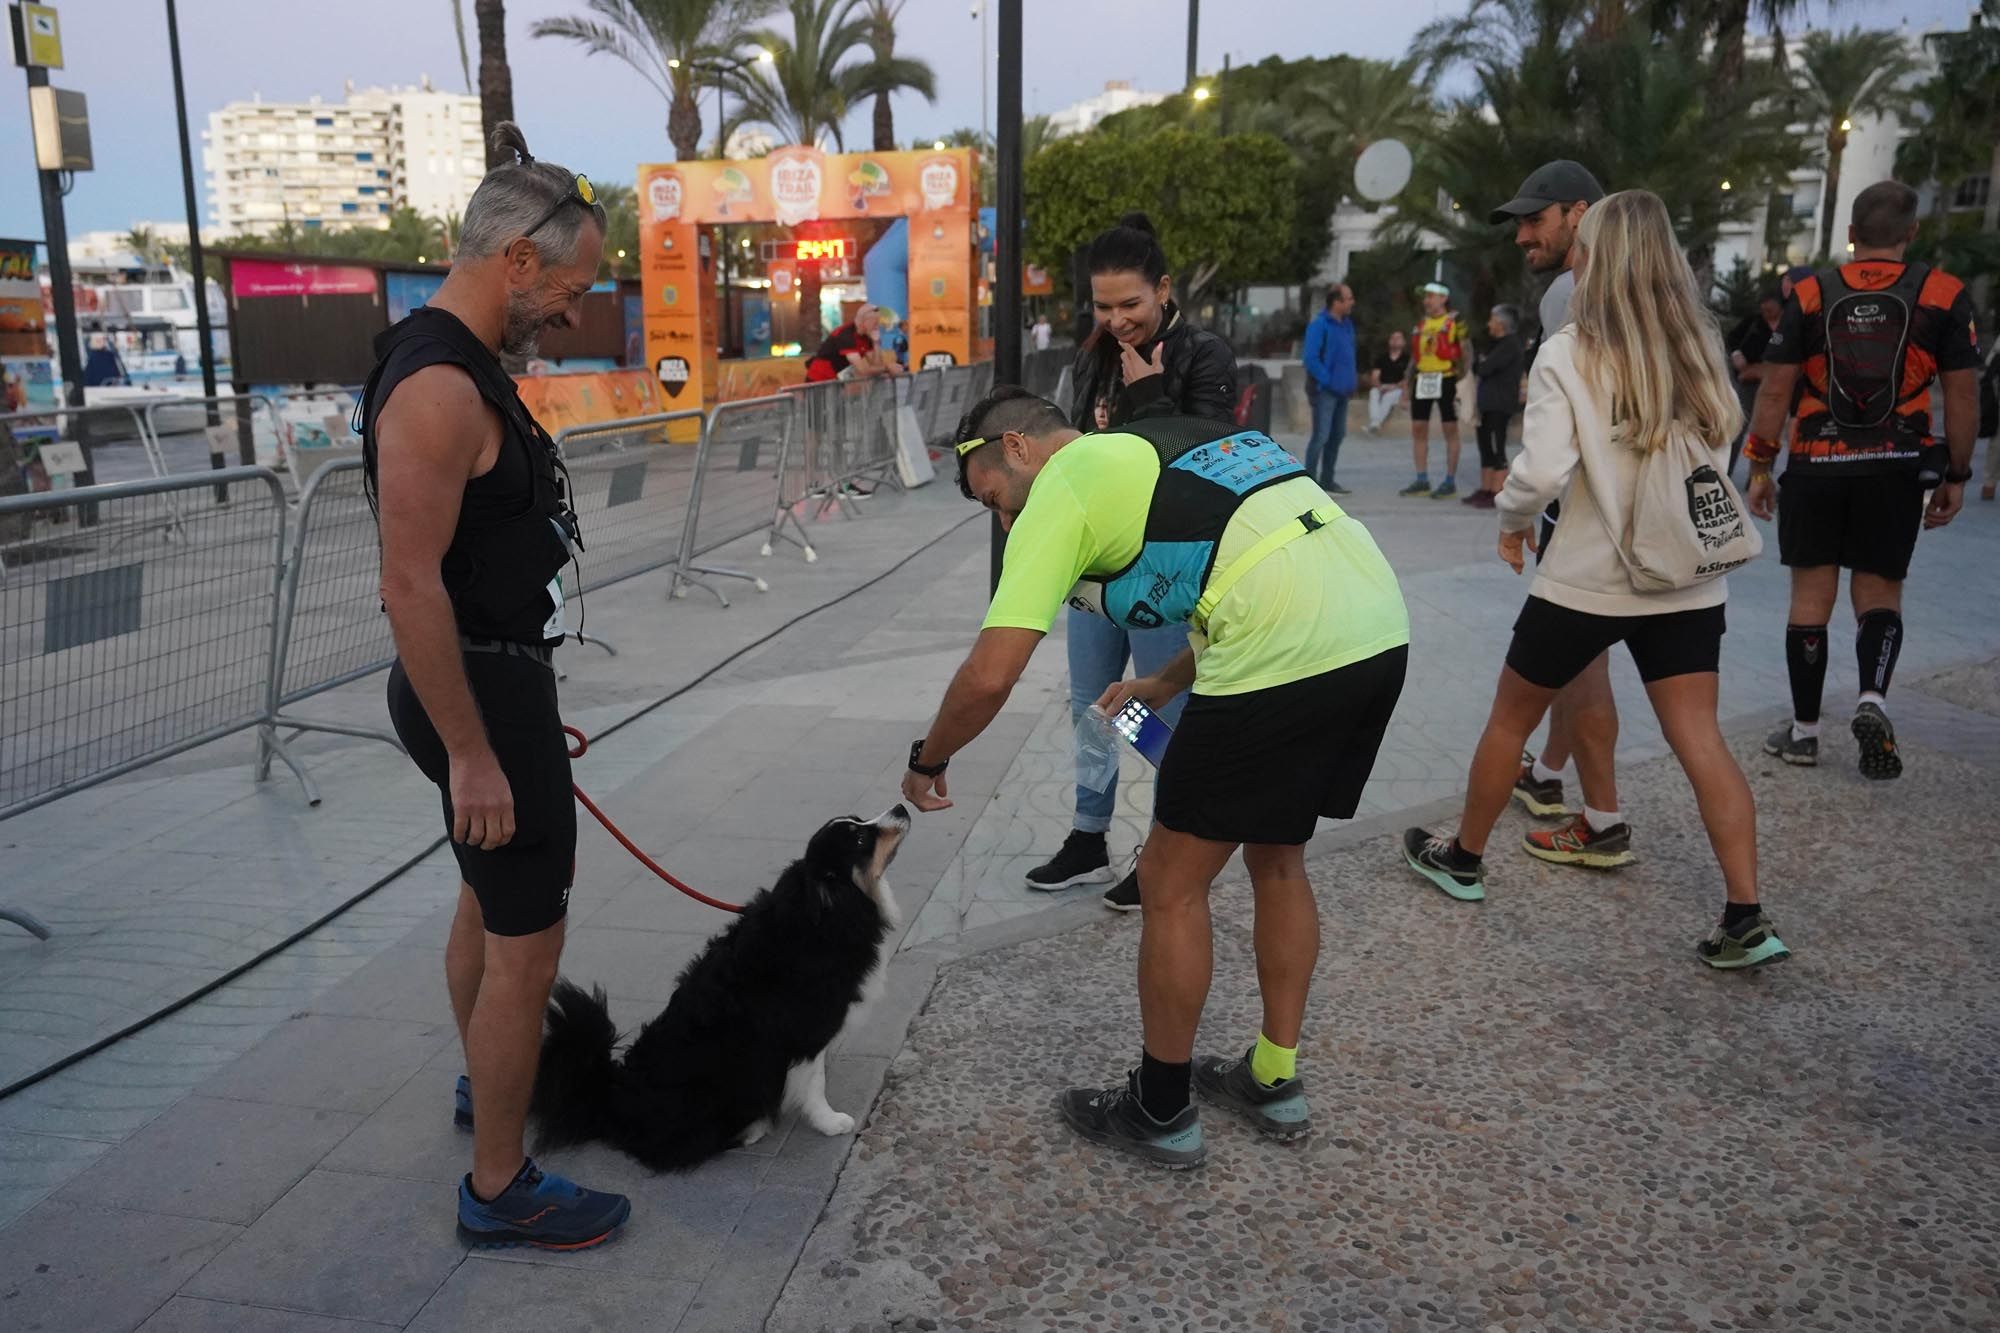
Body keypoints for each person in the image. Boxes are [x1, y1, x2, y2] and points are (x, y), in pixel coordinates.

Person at [906, 387, 1408, 1168]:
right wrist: (1167, 684)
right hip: (1375, 627)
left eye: (995, 501)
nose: (1004, 522)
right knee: (1277, 854)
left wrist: (928, 756)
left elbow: (990, 674)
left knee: (1169, 879)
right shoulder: (1174, 440)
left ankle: (1162, 1106)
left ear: (1017, 446)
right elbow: (1241, 558)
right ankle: (1274, 1077)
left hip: (1280, 653)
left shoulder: (1065, 481)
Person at [364, 123, 631, 1247]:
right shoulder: (438, 386)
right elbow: (410, 584)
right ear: (515, 259)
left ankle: (489, 1088)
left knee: (486, 895)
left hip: (492, 679)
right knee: (531, 939)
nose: (569, 315)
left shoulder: (463, 362)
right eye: (565, 289)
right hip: (471, 688)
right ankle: (496, 1186)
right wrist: (478, 749)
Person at [1403, 190, 1785, 970]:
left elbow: (1540, 471)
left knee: (1510, 718)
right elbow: (1725, 437)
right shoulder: (1700, 343)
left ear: (1596, 257)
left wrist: (1511, 523)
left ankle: (1465, 859)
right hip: (1685, 578)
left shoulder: (1571, 349)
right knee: (1700, 738)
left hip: (1586, 577)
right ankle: (1746, 914)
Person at [1032, 213, 1238, 911]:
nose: (1117, 320)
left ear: (1164, 289)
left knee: (1157, 709)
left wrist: (1149, 398)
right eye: (1103, 306)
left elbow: (1208, 463)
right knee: (1095, 703)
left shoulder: (1204, 353)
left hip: (1168, 571)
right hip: (1098, 564)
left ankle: (1164, 844)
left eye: (1131, 305)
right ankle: (1090, 833)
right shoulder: (1095, 350)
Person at [1744, 180, 1980, 780]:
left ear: (1851, 235)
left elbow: (1774, 387)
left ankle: (1803, 733)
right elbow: (1961, 393)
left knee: (1809, 600)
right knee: (1879, 594)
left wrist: (1762, 465)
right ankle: (1872, 699)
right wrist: (1956, 472)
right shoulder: (1943, 295)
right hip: (1894, 467)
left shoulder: (1811, 293)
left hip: (1817, 462)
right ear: (1912, 233)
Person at [1486, 159, 1627, 866]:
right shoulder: (1669, 291)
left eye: (1535, 220)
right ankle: (1548, 776)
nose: (1522, 236)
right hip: (1663, 527)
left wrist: (1516, 518)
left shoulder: (1571, 295)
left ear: (1579, 213)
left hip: (1584, 517)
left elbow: (1549, 451)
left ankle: (1599, 821)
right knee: (1693, 724)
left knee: (1575, 669)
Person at [1400, 282, 1468, 498]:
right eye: (1425, 297)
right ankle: (1422, 479)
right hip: (1423, 378)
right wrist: (1406, 383)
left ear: (1443, 298)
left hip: (1446, 378)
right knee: (1418, 429)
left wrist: (1463, 381)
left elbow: (1466, 350)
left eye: (1430, 296)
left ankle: (1449, 481)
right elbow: (1414, 355)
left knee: (1450, 430)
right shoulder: (1421, 324)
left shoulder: (1455, 321)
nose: (1426, 301)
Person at [1301, 283, 1358, 493]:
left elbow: (1349, 356)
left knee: (1337, 435)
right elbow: (1311, 358)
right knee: (1321, 436)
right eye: (1349, 298)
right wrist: (1328, 380)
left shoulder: (1347, 325)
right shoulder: (1319, 325)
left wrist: (1350, 382)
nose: (1352, 302)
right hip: (1324, 391)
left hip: (1343, 392)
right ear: (1337, 302)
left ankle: (1327, 479)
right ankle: (1308, 482)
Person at [1466, 305, 1524, 510]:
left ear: (1500, 323)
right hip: (1487, 404)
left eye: (1492, 320)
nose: (1488, 324)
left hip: (1500, 404)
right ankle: (1486, 488)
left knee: (1497, 447)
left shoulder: (1510, 345)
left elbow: (1485, 368)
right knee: (1485, 447)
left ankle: (1497, 491)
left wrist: (1482, 363)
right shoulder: (1496, 344)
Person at [1725, 289, 1786, 478]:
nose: (1766, 313)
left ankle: (1760, 477)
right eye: (1763, 309)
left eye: (1770, 309)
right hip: (1748, 381)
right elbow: (1732, 339)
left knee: (1769, 430)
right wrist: (1736, 354)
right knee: (1739, 426)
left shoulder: (1789, 325)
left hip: (1776, 383)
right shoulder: (1754, 322)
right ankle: (1725, 472)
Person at [805, 303, 899, 382]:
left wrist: (876, 343)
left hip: (836, 382)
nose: (877, 326)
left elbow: (877, 366)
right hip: (819, 380)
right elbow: (863, 370)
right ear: (864, 322)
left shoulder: (867, 336)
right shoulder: (845, 336)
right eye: (875, 322)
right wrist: (887, 368)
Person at [1367, 329, 1409, 433]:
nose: (1394, 340)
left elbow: (1407, 379)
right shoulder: (1381, 358)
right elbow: (1374, 377)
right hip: (1382, 386)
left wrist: (1394, 388)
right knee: (1373, 392)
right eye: (1392, 338)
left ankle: (1374, 424)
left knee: (1388, 397)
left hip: (1398, 388)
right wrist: (1380, 387)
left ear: (1403, 342)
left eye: (1398, 338)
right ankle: (1375, 425)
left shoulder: (1408, 359)